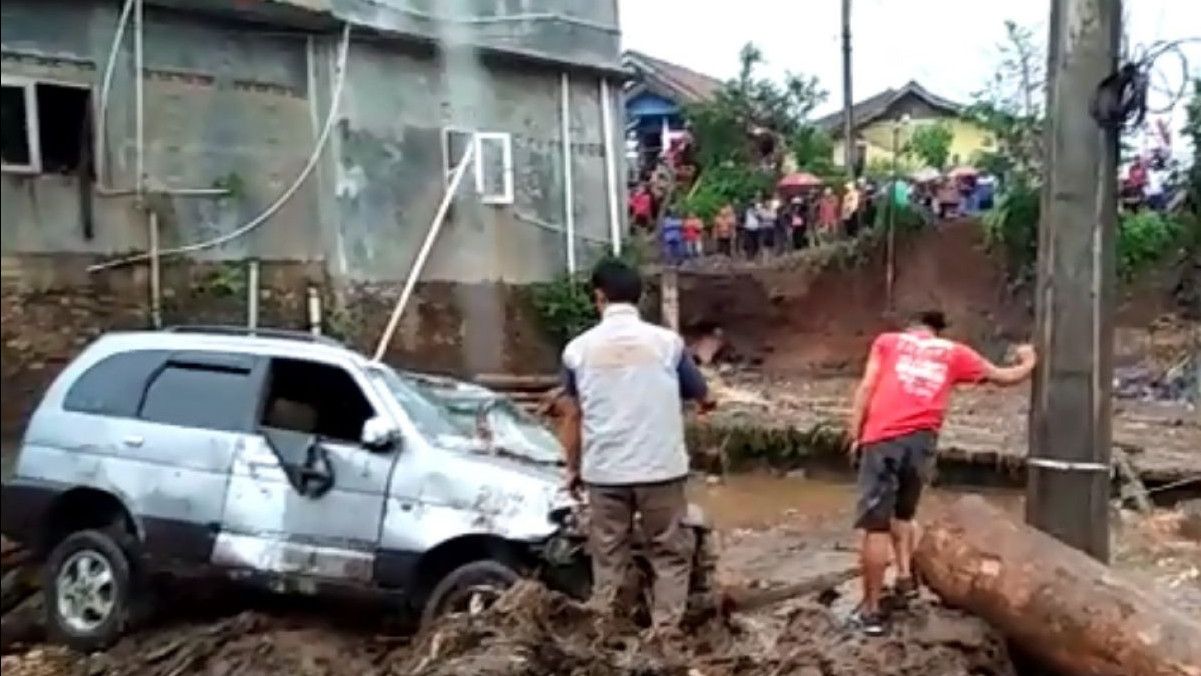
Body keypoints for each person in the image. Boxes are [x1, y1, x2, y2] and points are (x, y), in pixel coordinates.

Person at [845, 310, 1037, 636]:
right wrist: (1029, 360)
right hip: (921, 443)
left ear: (911, 328)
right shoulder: (954, 352)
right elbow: (1005, 377)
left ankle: (871, 612)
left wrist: (854, 433)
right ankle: (905, 580)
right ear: (937, 332)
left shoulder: (888, 342)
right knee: (903, 515)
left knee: (874, 526)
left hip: (883, 438)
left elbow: (867, 388)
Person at [556, 259, 714, 636]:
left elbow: (572, 416)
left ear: (599, 297)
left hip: (605, 472)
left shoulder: (577, 351)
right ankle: (664, 633)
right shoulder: (667, 345)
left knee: (608, 556)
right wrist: (703, 405)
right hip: (660, 469)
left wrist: (573, 469)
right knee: (671, 553)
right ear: (639, 299)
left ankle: (606, 635)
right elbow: (702, 395)